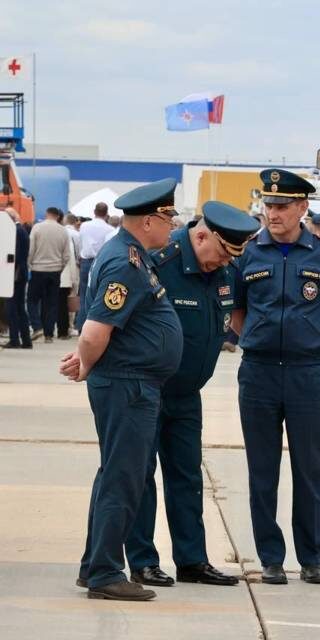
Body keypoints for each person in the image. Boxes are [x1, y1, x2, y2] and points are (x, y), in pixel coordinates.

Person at [124, 201, 260, 588]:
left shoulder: (223, 272)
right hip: (147, 390)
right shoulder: (157, 265)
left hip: (186, 395)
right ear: (200, 237)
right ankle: (143, 561)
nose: (224, 263)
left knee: (187, 477)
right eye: (221, 253)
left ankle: (192, 560)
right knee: (141, 477)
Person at [60, 178, 183, 601]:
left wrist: (89, 359)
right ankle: (105, 573)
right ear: (148, 222)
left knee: (115, 474)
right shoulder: (125, 264)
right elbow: (95, 331)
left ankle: (94, 565)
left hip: (130, 382)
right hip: (128, 386)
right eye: (167, 219)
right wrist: (87, 362)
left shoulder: (131, 256)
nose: (172, 226)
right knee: (123, 478)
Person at [231, 169, 320, 586]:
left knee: (310, 470)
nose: (273, 213)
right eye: (269, 205)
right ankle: (271, 558)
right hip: (259, 373)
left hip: (306, 374)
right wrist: (263, 340)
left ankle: (312, 558)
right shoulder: (247, 254)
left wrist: (303, 340)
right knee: (262, 471)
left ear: (302, 208)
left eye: (282, 206)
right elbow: (237, 313)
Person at [28, 206, 71, 343]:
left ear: (47, 214)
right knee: (51, 303)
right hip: (55, 271)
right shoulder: (63, 231)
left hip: (38, 269)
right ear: (58, 216)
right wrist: (60, 267)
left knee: (32, 300)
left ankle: (37, 326)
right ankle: (48, 334)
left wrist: (30, 265)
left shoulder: (37, 228)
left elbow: (31, 249)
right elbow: (67, 255)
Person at [77, 202, 115, 330]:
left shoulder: (84, 226)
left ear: (94, 212)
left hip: (85, 262)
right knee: (99, 296)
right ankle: (93, 326)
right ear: (107, 214)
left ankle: (81, 325)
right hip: (101, 262)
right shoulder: (109, 229)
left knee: (84, 294)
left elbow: (80, 243)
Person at [3, 207, 31, 348]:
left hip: (15, 275)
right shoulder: (21, 230)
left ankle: (15, 339)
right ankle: (26, 340)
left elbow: (14, 256)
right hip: (20, 274)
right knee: (19, 308)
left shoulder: (15, 231)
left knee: (12, 308)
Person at [58, 210, 81, 339]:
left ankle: (53, 328)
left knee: (57, 301)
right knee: (71, 299)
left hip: (57, 271)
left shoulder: (61, 232)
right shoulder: (76, 235)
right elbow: (77, 255)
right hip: (72, 270)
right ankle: (70, 326)